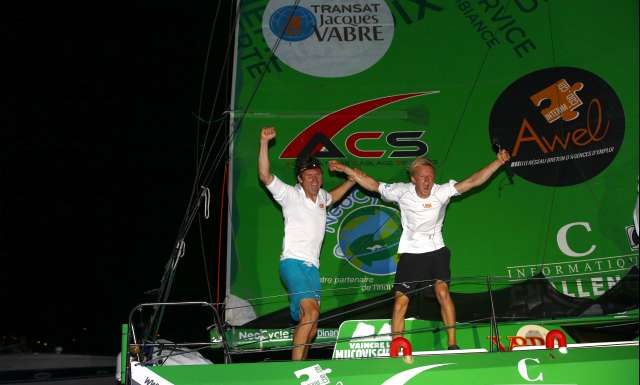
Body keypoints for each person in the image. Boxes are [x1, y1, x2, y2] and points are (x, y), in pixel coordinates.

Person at [328, 149, 510, 349]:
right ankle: (397, 347)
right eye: (423, 177)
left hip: (436, 250)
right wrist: (345, 168)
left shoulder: (441, 192)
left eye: (431, 177)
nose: (428, 181)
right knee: (400, 303)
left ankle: (452, 345)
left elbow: (473, 181)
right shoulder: (401, 191)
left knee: (442, 292)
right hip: (411, 253)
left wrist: (498, 162)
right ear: (413, 179)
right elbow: (372, 184)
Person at [258, 126, 356, 360]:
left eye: (317, 175)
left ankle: (301, 365)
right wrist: (264, 143)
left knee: (312, 326)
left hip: (313, 269)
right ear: (300, 179)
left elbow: (335, 195)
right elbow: (265, 176)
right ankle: (295, 372)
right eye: (309, 176)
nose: (314, 179)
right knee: (310, 314)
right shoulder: (290, 195)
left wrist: (352, 180)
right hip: (292, 263)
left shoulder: (322, 197)